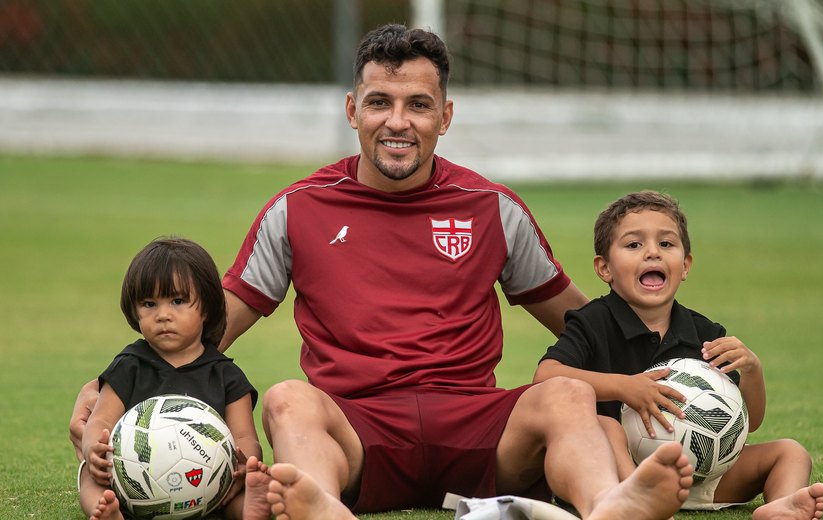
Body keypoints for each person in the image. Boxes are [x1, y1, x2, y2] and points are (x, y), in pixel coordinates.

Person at [72, 24, 695, 520]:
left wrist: (688, 378)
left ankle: (610, 507)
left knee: (567, 393)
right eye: (380, 103)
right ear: (352, 109)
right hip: (357, 431)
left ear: (444, 117)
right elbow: (203, 339)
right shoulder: (298, 209)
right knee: (289, 400)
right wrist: (112, 389)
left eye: (418, 105)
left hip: (477, 425)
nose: (397, 121)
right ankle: (320, 505)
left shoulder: (492, 208)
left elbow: (592, 323)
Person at [533, 191, 823, 520]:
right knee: (606, 425)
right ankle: (637, 498)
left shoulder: (705, 333)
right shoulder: (592, 322)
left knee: (789, 451)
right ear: (604, 268)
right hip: (618, 469)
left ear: (685, 265)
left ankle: (780, 505)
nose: (652, 253)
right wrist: (623, 387)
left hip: (703, 473)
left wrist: (752, 372)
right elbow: (546, 376)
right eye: (634, 245)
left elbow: (750, 422)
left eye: (666, 244)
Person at [77, 237, 271, 520]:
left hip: (207, 489)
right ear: (134, 310)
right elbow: (100, 420)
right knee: (89, 476)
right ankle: (107, 510)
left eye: (178, 301)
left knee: (237, 491)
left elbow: (244, 436)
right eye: (149, 304)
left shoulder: (226, 375)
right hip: (136, 483)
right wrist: (93, 447)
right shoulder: (130, 365)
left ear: (206, 307)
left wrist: (248, 463)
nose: (163, 315)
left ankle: (250, 509)